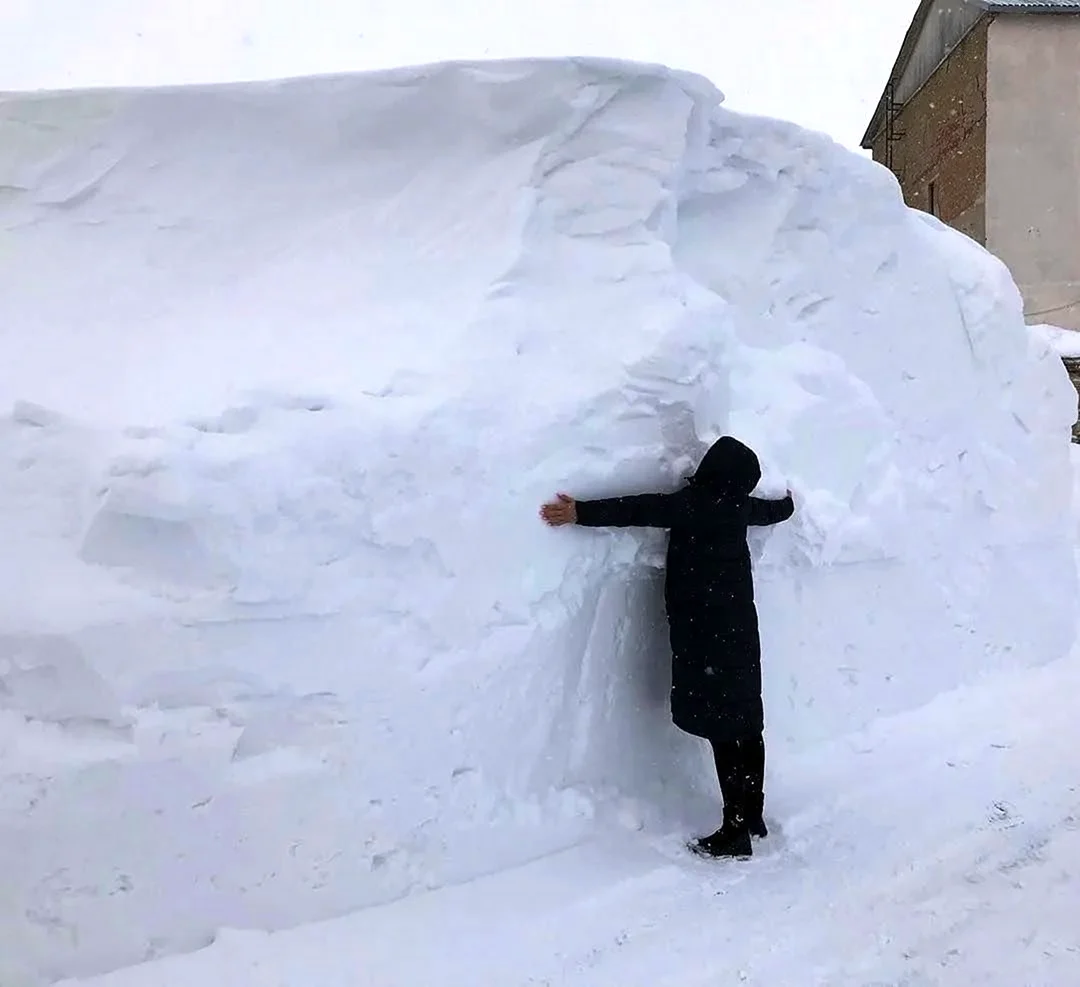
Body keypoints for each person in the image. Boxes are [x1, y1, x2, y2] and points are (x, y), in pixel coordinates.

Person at [540, 436, 794, 859]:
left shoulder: (693, 505)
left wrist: (580, 512)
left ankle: (735, 832)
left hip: (705, 636)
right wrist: (788, 503)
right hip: (739, 632)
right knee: (747, 722)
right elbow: (776, 511)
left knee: (723, 730)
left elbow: (636, 508)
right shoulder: (740, 507)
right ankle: (751, 812)